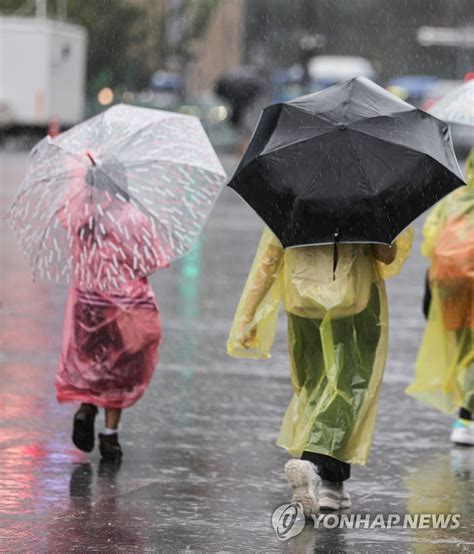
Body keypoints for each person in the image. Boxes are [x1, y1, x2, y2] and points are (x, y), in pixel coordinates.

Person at [227, 226, 412, 514]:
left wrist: (249, 314)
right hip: (354, 301)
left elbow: (270, 256)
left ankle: (333, 482)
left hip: (304, 302)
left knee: (315, 386)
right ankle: (317, 468)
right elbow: (386, 255)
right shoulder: (365, 194)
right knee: (347, 387)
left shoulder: (293, 192)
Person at [56, 160, 164, 462]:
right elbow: (149, 262)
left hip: (87, 302)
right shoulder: (132, 217)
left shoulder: (80, 216)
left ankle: (87, 407)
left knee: (92, 362)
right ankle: (110, 436)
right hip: (122, 304)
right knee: (121, 368)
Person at [407, 150, 474, 446]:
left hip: (449, 283)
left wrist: (429, 291)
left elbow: (433, 240)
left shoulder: (456, 198)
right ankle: (466, 416)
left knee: (464, 348)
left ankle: (465, 416)